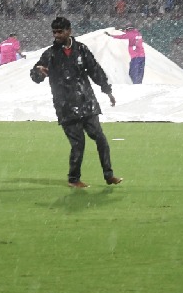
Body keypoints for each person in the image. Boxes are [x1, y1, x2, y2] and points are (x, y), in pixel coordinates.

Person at [30, 17, 121, 189]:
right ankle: (73, 179)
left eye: (60, 32)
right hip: (65, 106)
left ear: (69, 31)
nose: (57, 35)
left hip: (86, 102)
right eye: (54, 32)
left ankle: (109, 175)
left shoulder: (81, 50)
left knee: (101, 139)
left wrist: (107, 90)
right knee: (78, 144)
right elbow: (36, 76)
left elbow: (95, 70)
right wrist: (38, 72)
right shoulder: (50, 54)